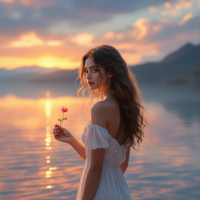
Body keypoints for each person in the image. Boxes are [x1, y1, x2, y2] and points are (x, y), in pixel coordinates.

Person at [53, 45, 147, 200]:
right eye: (86, 71)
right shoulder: (128, 110)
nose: (88, 76)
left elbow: (95, 168)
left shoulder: (99, 108)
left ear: (110, 72)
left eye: (94, 70)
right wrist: (71, 140)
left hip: (100, 193)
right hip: (119, 190)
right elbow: (117, 165)